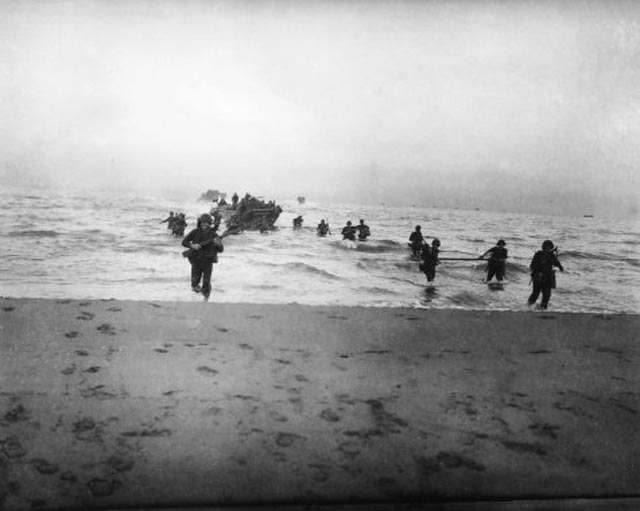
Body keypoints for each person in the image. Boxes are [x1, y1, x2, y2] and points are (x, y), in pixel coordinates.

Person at [181, 213, 224, 298]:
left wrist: (218, 244)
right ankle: (201, 294)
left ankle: (205, 300)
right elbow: (184, 242)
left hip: (208, 261)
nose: (204, 224)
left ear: (209, 223)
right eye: (202, 222)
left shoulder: (213, 235)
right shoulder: (195, 232)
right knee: (194, 284)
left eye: (206, 222)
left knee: (206, 282)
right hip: (196, 260)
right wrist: (192, 246)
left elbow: (221, 250)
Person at [527, 240, 564, 309]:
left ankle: (543, 308)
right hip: (538, 277)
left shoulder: (551, 255)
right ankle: (529, 306)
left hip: (547, 277)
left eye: (549, 247)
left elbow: (557, 263)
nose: (548, 249)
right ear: (544, 247)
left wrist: (560, 267)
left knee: (547, 294)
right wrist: (538, 269)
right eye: (547, 247)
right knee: (536, 293)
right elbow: (532, 266)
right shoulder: (538, 254)